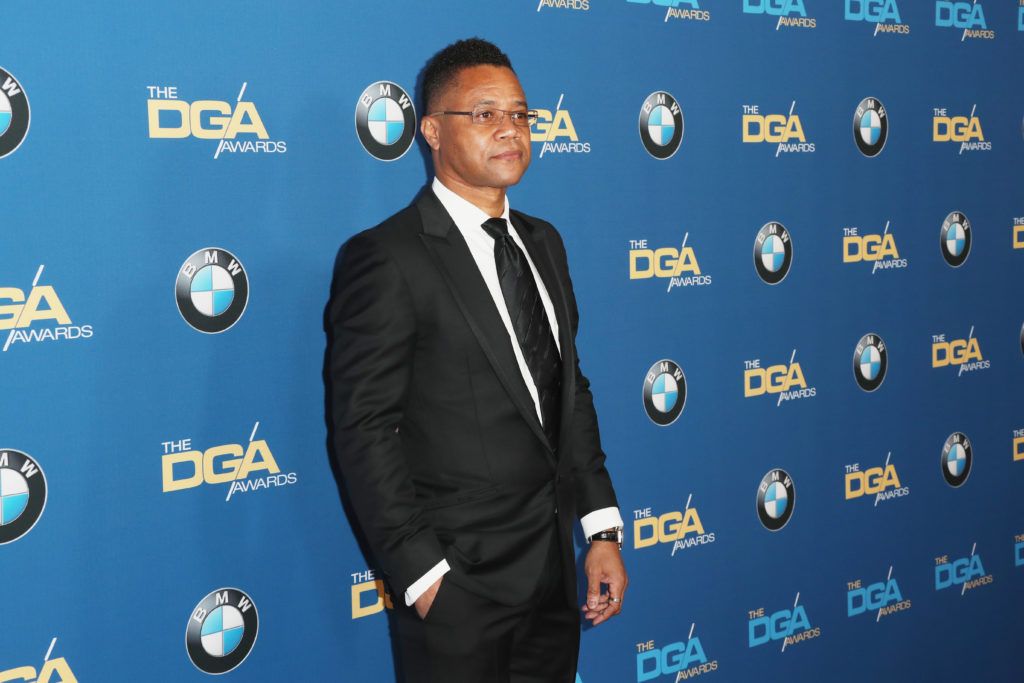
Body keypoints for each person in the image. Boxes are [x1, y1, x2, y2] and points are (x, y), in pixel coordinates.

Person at [328, 37, 627, 683]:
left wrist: (600, 527)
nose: (509, 130)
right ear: (432, 130)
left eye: (520, 114)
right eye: (484, 113)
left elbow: (567, 389)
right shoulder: (388, 257)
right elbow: (363, 427)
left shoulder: (544, 242)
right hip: (457, 588)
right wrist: (423, 574)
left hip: (551, 573)